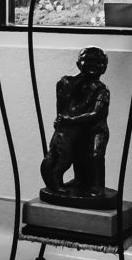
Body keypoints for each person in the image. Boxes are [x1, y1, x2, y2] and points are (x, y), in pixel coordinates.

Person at [40, 46, 110, 199]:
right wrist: (62, 121)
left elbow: (96, 113)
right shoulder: (71, 84)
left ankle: (97, 186)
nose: (93, 65)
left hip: (96, 130)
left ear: (104, 68)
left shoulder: (101, 90)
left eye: (97, 62)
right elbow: (63, 106)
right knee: (78, 154)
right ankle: (80, 180)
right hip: (77, 129)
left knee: (95, 155)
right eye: (88, 61)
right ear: (79, 64)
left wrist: (70, 120)